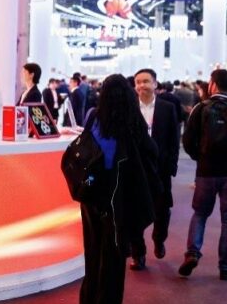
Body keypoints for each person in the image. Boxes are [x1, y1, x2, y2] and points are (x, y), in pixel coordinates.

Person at [78, 74, 160, 304]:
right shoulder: (133, 120)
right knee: (114, 258)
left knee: (93, 251)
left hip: (92, 195)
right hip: (120, 199)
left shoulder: (94, 117)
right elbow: (151, 152)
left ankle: (89, 298)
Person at [179, 69, 227, 280]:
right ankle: (226, 268)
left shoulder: (201, 108)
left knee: (200, 214)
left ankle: (192, 253)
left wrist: (200, 158)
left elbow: (188, 141)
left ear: (212, 85)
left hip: (206, 172)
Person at [129, 69, 180, 271]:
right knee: (134, 212)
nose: (142, 85)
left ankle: (159, 239)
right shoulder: (130, 108)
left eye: (146, 81)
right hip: (136, 169)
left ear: (155, 84)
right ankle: (138, 253)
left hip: (161, 169)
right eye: (138, 82)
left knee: (162, 210)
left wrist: (172, 165)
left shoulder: (167, 108)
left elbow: (174, 139)